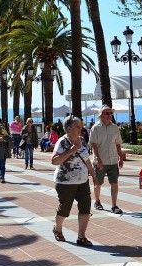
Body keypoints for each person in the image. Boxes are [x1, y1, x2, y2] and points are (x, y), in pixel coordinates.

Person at [51, 116, 98, 247]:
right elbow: (54, 160)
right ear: (68, 128)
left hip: (82, 181)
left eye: (81, 126)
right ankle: (58, 228)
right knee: (64, 209)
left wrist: (94, 176)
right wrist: (71, 151)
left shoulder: (82, 140)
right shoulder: (62, 142)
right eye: (77, 126)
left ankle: (81, 236)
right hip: (65, 182)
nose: (80, 128)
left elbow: (87, 160)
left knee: (85, 208)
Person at [89, 105, 124, 214]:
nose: (110, 115)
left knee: (114, 183)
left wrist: (120, 157)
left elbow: (118, 143)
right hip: (100, 161)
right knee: (98, 183)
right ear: (100, 116)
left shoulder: (114, 128)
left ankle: (114, 205)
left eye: (110, 113)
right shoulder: (95, 128)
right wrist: (99, 159)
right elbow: (93, 145)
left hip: (113, 160)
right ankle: (97, 202)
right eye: (107, 113)